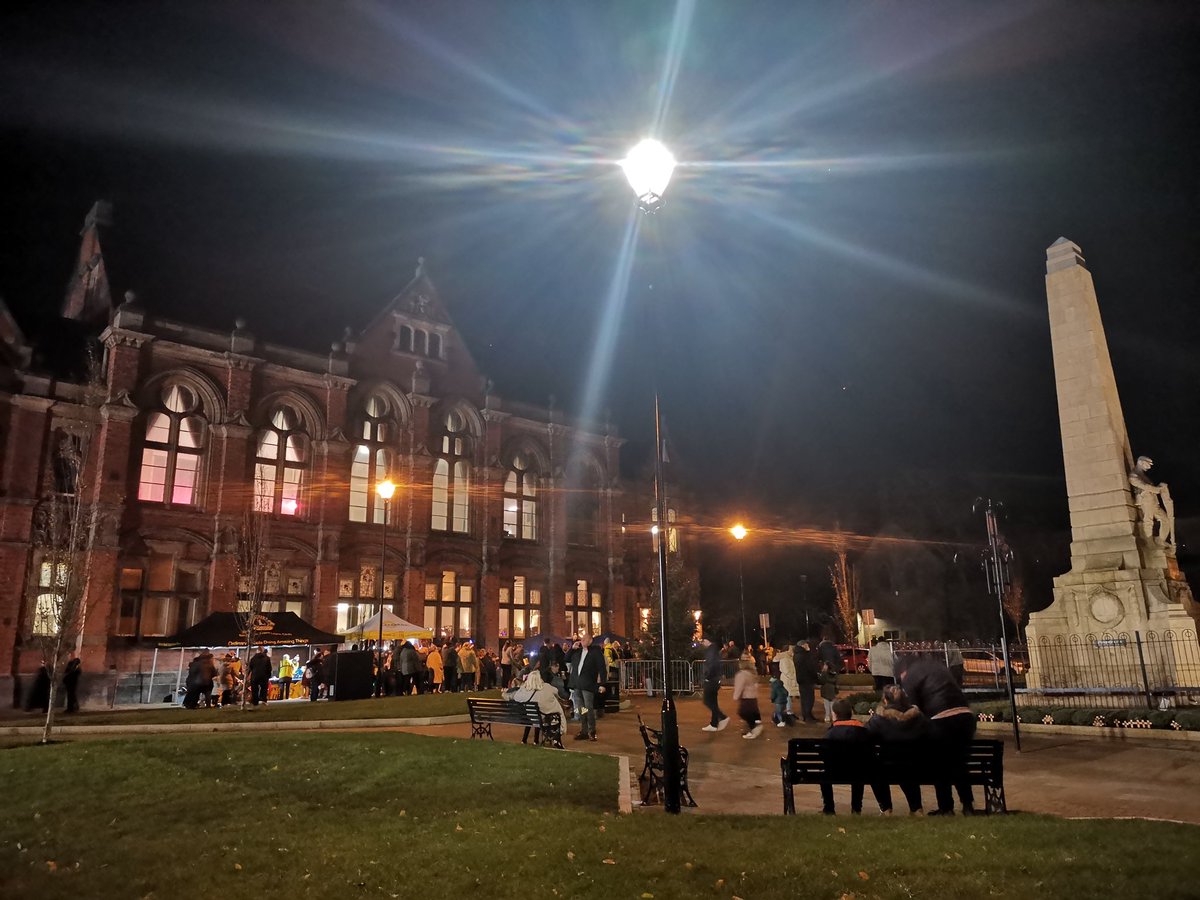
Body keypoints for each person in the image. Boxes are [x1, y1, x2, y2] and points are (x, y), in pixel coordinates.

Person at [899, 655, 976, 815]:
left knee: (939, 765)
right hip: (966, 718)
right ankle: (968, 805)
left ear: (902, 671)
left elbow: (914, 710)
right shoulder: (938, 667)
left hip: (942, 721)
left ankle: (946, 807)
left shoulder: (910, 676)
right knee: (959, 763)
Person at [866, 684, 928, 815]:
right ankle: (916, 808)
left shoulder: (879, 720)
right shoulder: (918, 717)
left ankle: (886, 808)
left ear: (886, 701)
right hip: (918, 766)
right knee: (907, 769)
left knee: (875, 770)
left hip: (888, 766)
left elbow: (867, 739)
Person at [819, 698, 884, 815]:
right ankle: (856, 808)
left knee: (823, 772)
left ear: (835, 714)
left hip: (833, 772)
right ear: (851, 713)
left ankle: (829, 807)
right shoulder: (863, 732)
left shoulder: (830, 734)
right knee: (859, 768)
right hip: (858, 771)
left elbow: (824, 756)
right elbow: (870, 754)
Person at [505, 669, 567, 745]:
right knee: (556, 707)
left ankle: (536, 739)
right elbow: (556, 691)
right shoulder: (546, 687)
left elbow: (514, 697)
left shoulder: (525, 691)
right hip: (548, 718)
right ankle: (554, 737)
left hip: (533, 718)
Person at [566, 631, 604, 742]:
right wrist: (572, 648)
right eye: (581, 640)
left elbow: (602, 668)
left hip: (588, 685)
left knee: (589, 708)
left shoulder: (595, 652)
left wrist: (602, 684)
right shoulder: (577, 651)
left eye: (584, 640)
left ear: (590, 641)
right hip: (577, 685)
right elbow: (566, 659)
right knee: (581, 709)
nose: (581, 641)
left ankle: (592, 731)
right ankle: (584, 730)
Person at [700, 635, 730, 732]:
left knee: (707, 701)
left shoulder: (711, 650)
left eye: (703, 640)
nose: (702, 643)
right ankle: (714, 724)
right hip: (715, 678)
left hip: (712, 679)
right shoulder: (714, 649)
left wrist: (708, 676)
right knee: (713, 701)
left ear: (707, 640)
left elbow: (711, 665)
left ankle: (723, 717)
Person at [732, 657, 763, 739]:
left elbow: (739, 686)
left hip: (746, 696)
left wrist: (736, 696)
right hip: (752, 696)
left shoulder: (741, 674)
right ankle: (752, 728)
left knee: (743, 712)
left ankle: (754, 728)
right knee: (749, 712)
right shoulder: (752, 673)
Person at [794, 640, 819, 723]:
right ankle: (808, 716)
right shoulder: (804, 655)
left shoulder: (797, 654)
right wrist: (815, 677)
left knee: (804, 698)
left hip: (801, 679)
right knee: (809, 698)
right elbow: (810, 667)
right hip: (807, 679)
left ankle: (807, 715)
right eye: (806, 644)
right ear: (803, 645)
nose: (808, 646)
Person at [777, 642, 799, 719]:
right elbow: (787, 670)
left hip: (789, 679)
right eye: (791, 649)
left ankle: (788, 710)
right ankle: (788, 711)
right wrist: (793, 677)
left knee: (789, 695)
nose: (792, 651)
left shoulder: (789, 658)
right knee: (788, 695)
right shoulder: (785, 658)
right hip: (787, 680)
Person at [818, 659, 838, 723]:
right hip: (832, 690)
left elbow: (821, 681)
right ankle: (834, 717)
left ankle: (827, 716)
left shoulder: (824, 673)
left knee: (826, 704)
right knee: (832, 704)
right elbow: (835, 681)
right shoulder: (834, 673)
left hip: (825, 690)